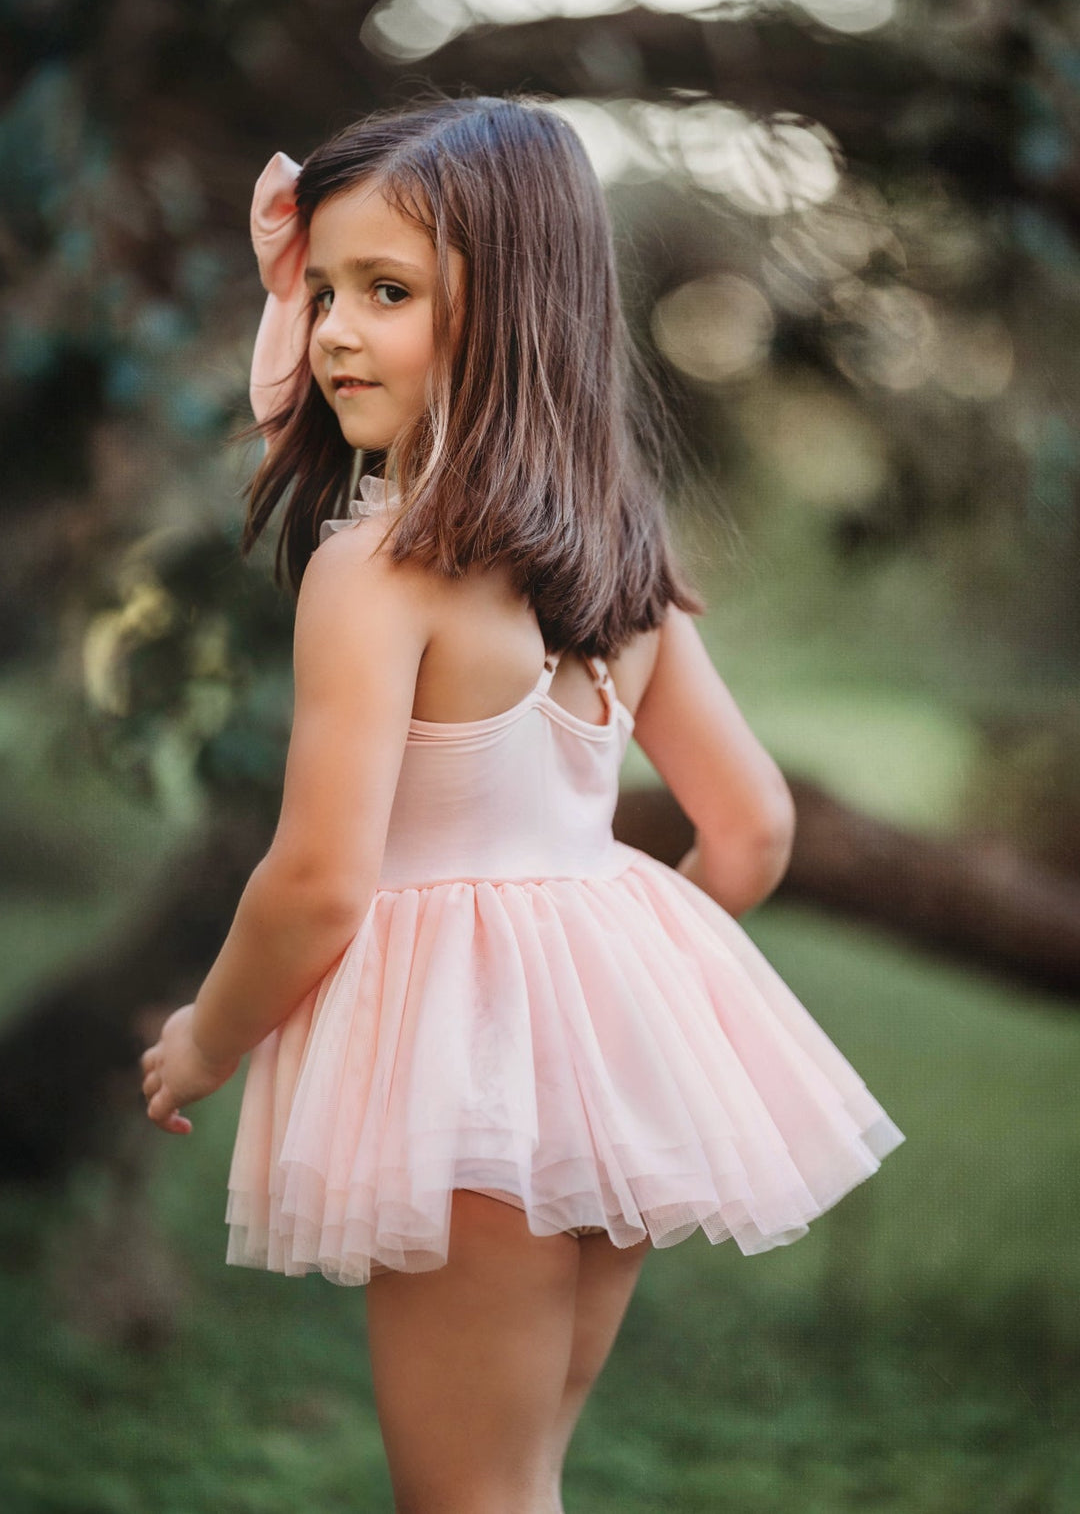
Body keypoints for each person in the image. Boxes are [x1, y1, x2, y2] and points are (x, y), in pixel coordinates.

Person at [139, 95, 905, 1514]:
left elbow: (316, 879)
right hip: (603, 1086)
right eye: (321, 295)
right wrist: (618, 1000)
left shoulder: (376, 578)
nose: (333, 335)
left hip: (461, 1098)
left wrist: (205, 1038)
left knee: (470, 1499)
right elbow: (750, 831)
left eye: (388, 293)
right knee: (522, 1477)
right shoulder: (621, 557)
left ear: (509, 317)